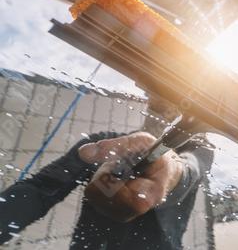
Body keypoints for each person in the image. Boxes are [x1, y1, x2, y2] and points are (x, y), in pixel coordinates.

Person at [0, 97, 214, 249]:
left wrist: (171, 173)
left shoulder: (196, 149)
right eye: (160, 88)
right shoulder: (105, 144)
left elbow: (192, 169)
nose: (166, 98)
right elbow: (41, 189)